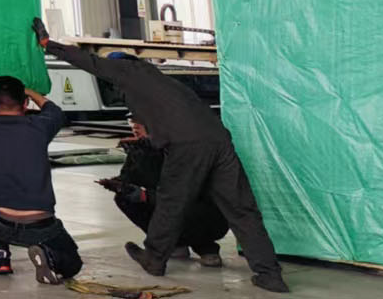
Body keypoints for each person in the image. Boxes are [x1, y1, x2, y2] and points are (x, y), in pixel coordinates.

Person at [44, 27, 288, 292]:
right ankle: (269, 273)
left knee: (171, 201)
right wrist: (146, 142)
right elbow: (175, 121)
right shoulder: (162, 83)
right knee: (242, 210)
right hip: (219, 141)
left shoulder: (128, 70)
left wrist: (49, 44)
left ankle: (154, 257)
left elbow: (89, 62)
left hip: (187, 147)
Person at [0, 74, 82, 283]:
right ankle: (49, 255)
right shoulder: (41, 126)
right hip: (41, 227)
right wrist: (31, 92)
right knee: (72, 266)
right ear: (25, 103)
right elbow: (54, 110)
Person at [100, 120, 227, 266]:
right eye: (132, 121)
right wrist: (118, 184)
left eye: (140, 121)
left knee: (189, 208)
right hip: (174, 206)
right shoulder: (143, 147)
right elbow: (128, 178)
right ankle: (175, 244)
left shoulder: (184, 151)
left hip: (205, 216)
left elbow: (181, 195)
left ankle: (205, 247)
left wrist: (145, 196)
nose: (134, 126)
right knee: (125, 199)